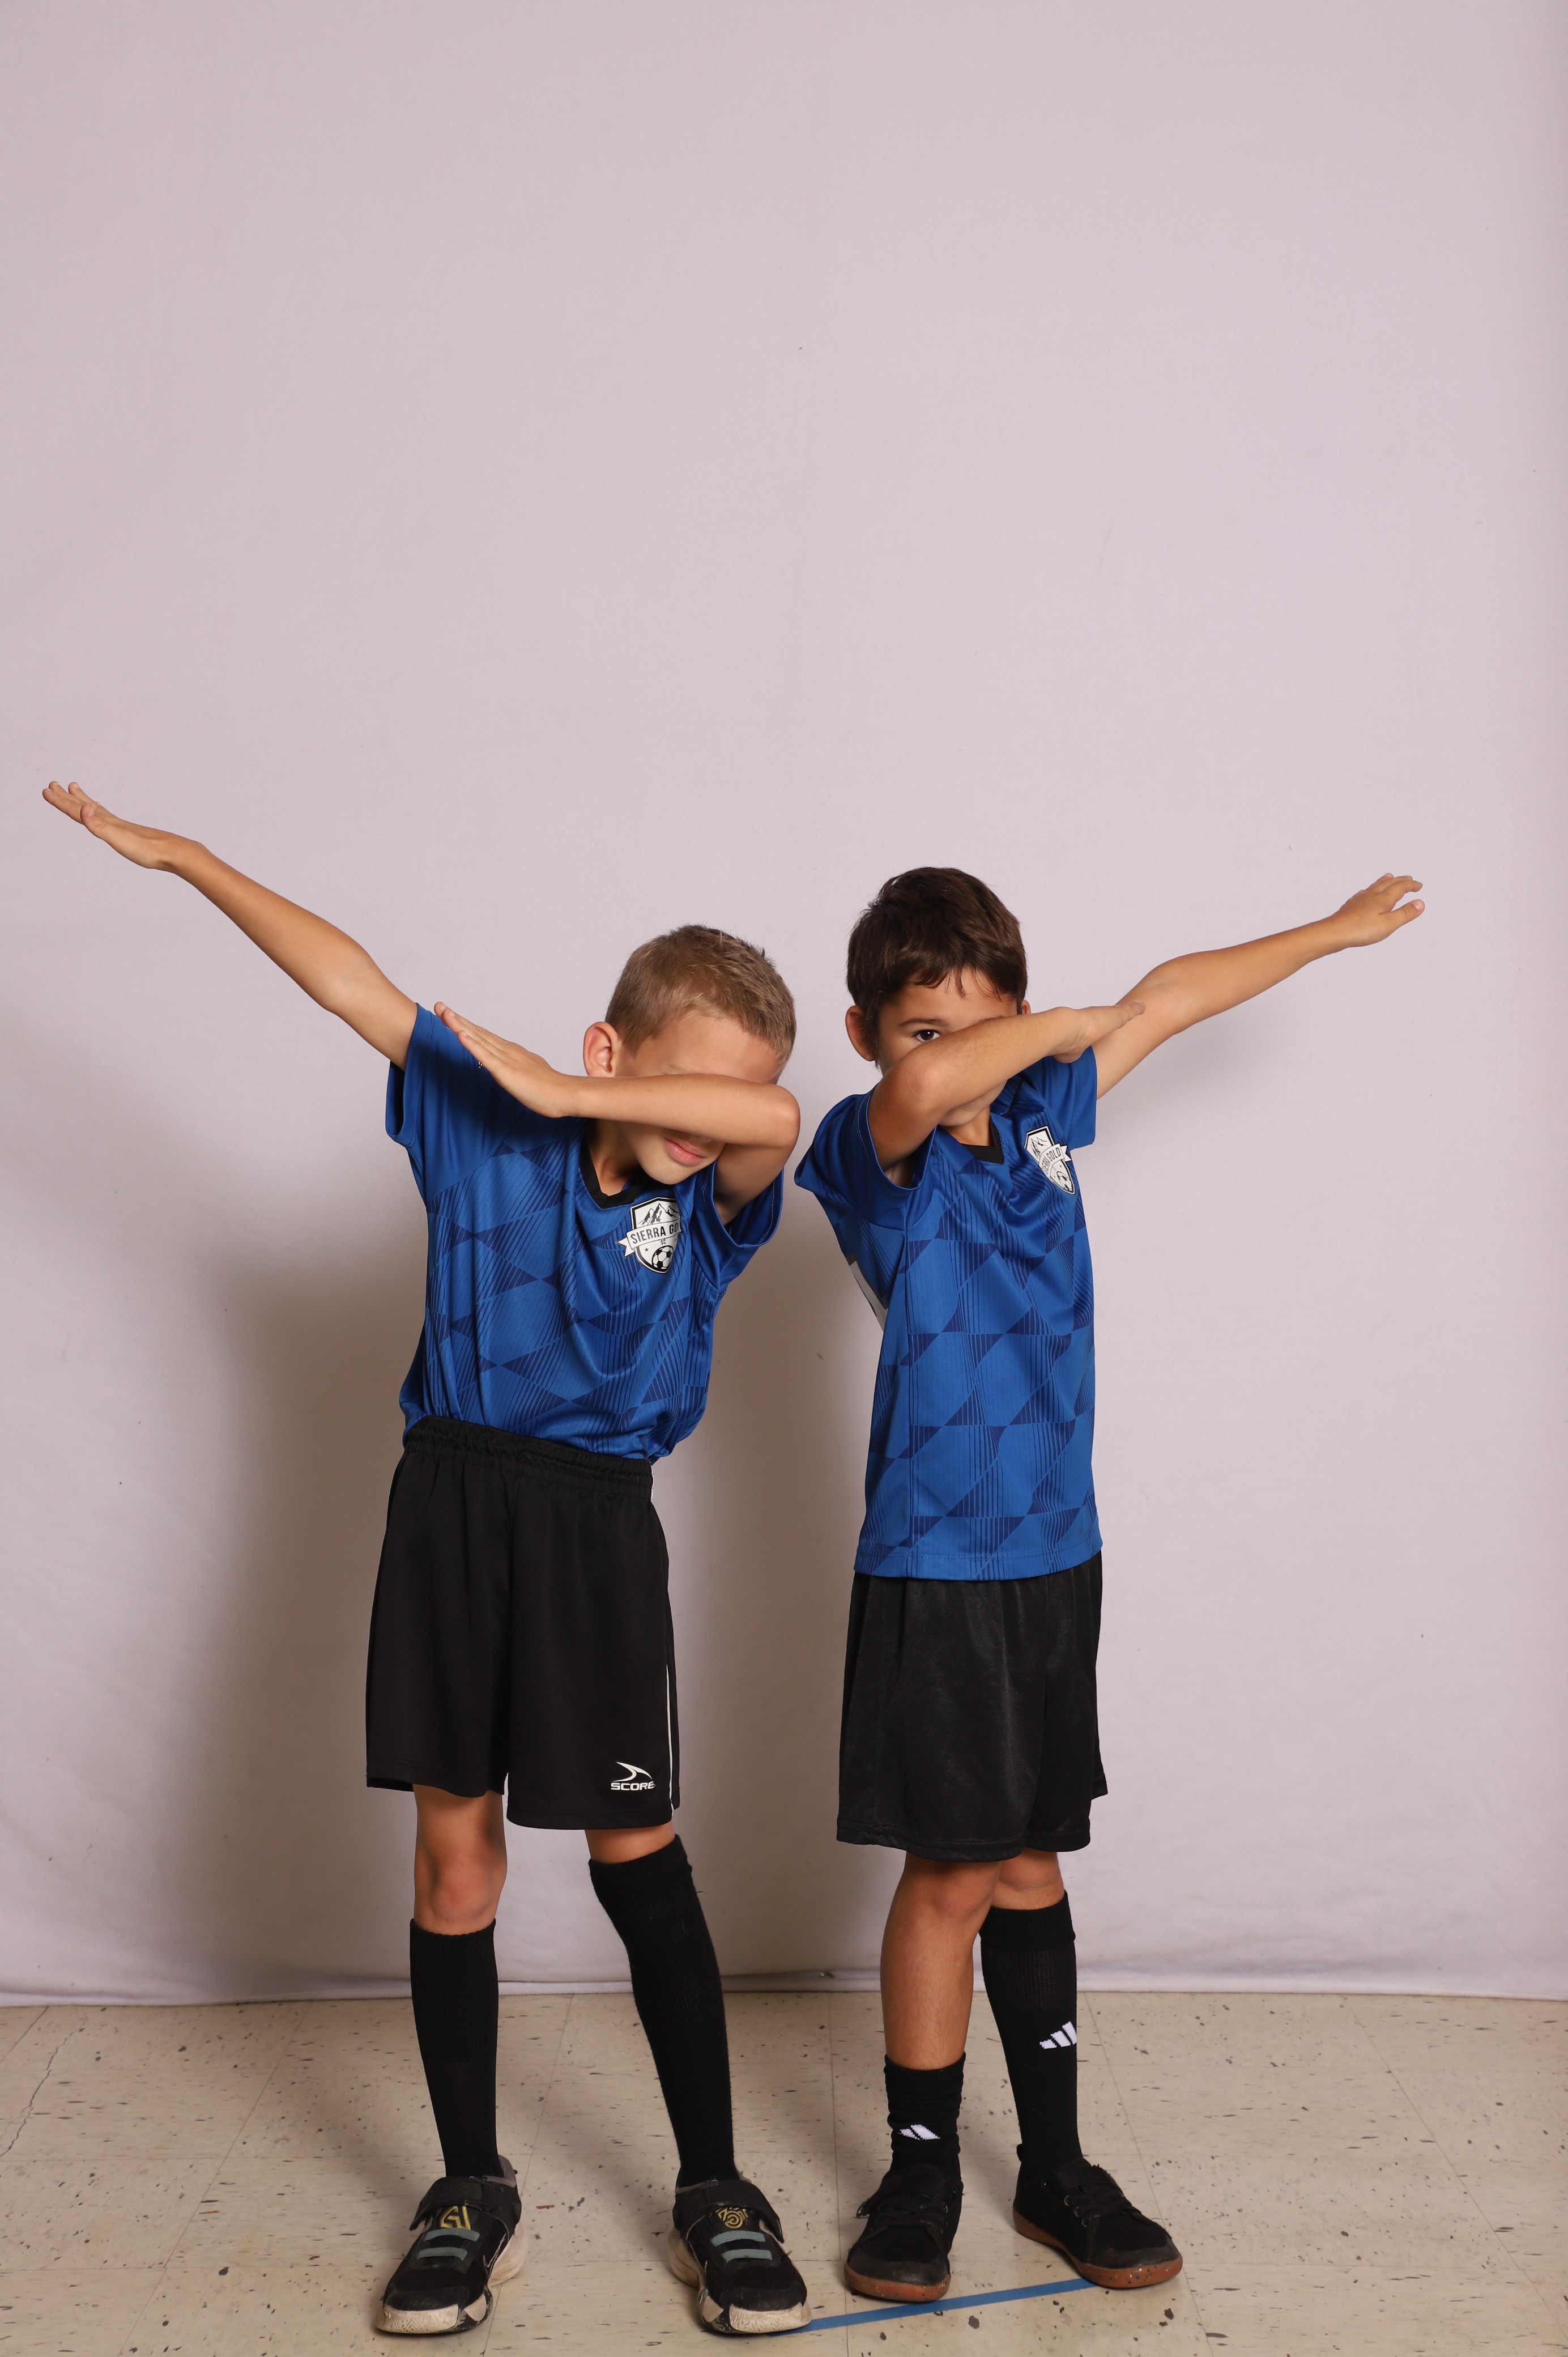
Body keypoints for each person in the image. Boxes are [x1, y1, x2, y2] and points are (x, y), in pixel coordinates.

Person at [41, 780, 813, 2339]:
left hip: (597, 1525)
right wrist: (187, 858)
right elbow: (348, 982)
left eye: (718, 1099)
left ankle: (717, 2185)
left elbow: (779, 1123)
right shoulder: (480, 1125)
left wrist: (574, 1090)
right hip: (452, 1506)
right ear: (611, 1050)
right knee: (456, 1863)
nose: (698, 1122)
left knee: (634, 1853)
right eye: (672, 1083)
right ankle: (470, 2188)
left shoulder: (709, 1211)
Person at [796, 863, 1424, 2303]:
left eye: (987, 1025)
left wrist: (1331, 932)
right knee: (952, 1868)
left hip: (1055, 1554)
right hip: (939, 1562)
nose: (958, 1058)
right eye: (922, 1029)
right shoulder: (871, 1150)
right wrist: (1048, 1026)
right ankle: (919, 2172)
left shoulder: (1041, 1115)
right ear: (866, 1035)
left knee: (1028, 1861)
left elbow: (1170, 996)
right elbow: (937, 1081)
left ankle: (1055, 2167)